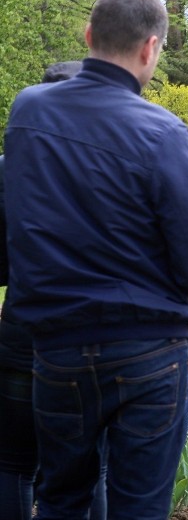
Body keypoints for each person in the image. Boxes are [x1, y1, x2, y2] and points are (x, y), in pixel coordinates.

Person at [3, 0, 188, 519]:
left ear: (87, 35)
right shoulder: (162, 130)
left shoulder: (28, 112)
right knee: (139, 507)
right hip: (145, 345)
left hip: (56, 345)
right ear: (151, 48)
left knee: (61, 499)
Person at [0, 62, 107, 520]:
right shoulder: (116, 169)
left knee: (13, 464)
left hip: (25, 327)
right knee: (93, 467)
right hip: (97, 335)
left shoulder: (8, 169)